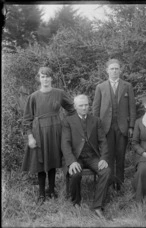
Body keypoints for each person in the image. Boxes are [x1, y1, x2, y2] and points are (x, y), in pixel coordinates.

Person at [22, 67, 75, 204]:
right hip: (39, 132)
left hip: (55, 130)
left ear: (52, 78)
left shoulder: (59, 93)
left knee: (52, 160)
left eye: (47, 76)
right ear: (39, 79)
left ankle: (51, 191)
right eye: (42, 77)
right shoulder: (33, 97)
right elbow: (27, 119)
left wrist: (67, 124)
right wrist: (30, 136)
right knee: (41, 162)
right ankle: (41, 194)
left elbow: (71, 109)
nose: (45, 79)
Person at [61, 94, 110, 218]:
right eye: (81, 105)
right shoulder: (68, 121)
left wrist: (103, 158)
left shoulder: (96, 120)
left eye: (86, 105)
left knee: (106, 171)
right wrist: (71, 161)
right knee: (75, 173)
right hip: (76, 157)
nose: (84, 108)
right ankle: (76, 203)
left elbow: (103, 141)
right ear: (75, 107)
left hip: (92, 156)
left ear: (89, 105)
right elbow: (65, 144)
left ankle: (98, 206)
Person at [93, 59, 136, 190]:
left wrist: (131, 126)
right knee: (108, 155)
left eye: (117, 68)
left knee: (120, 156)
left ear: (120, 70)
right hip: (106, 128)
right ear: (107, 71)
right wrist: (97, 128)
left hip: (122, 127)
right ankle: (109, 183)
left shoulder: (127, 86)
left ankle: (120, 184)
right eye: (112, 69)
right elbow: (96, 109)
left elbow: (132, 108)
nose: (114, 71)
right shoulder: (101, 87)